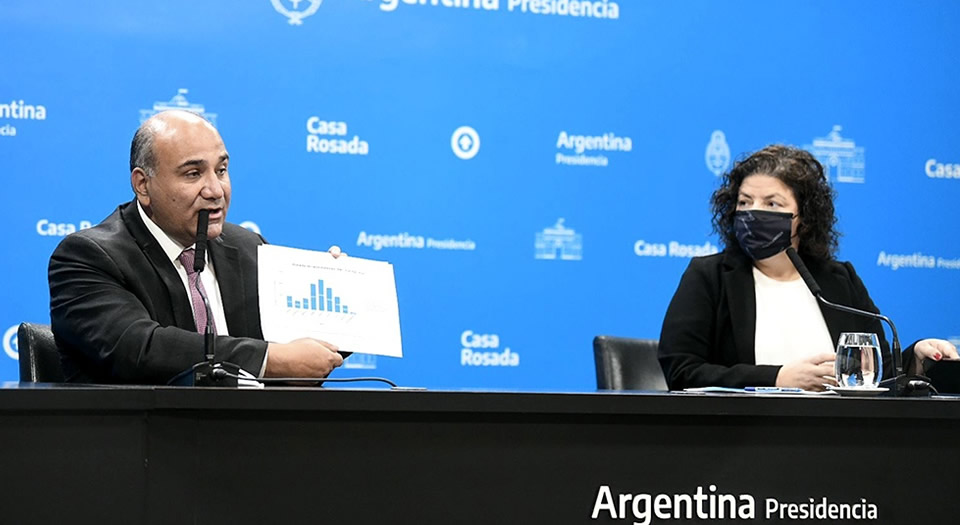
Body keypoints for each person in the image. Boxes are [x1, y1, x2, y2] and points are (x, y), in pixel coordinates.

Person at [49, 110, 345, 384]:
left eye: (221, 170)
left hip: (253, 433)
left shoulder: (247, 247)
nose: (215, 190)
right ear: (143, 185)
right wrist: (269, 359)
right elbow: (140, 349)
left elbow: (300, 351)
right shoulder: (88, 257)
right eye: (193, 174)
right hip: (140, 435)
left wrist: (340, 301)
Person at [658, 145, 957, 391]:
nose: (753, 212)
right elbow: (682, 371)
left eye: (772, 204)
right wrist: (776, 379)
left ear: (804, 217)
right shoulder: (710, 277)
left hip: (838, 440)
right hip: (738, 443)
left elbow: (879, 374)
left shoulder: (838, 281)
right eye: (744, 202)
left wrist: (917, 359)